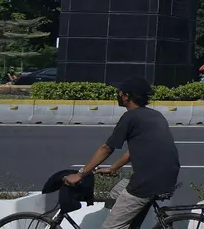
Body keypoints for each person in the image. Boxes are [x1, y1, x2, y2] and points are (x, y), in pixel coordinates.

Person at [64, 77, 181, 229]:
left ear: (126, 96)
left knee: (110, 227)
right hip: (166, 177)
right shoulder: (155, 115)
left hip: (146, 182)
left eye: (120, 93)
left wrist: (81, 174)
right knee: (116, 193)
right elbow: (134, 150)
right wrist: (114, 168)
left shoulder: (130, 117)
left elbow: (107, 148)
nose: (118, 96)